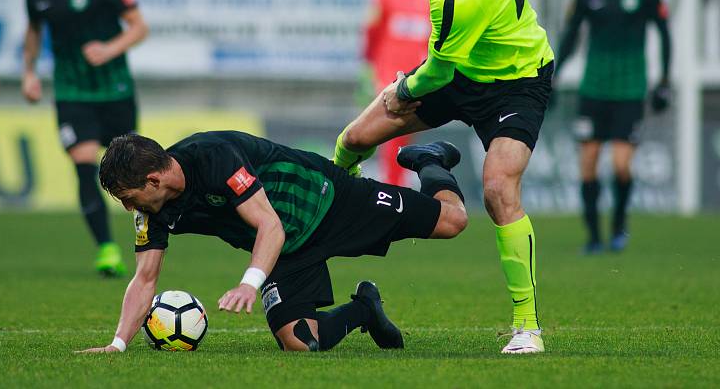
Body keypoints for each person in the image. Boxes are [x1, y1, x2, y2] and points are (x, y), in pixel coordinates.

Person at [331, 0, 621, 354]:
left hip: (517, 82)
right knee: (355, 137)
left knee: (498, 189)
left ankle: (527, 326)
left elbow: (436, 72)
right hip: (465, 70)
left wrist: (401, 90)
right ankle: (325, 215)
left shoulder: (458, 0)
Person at [76, 131, 468, 353]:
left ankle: (429, 161)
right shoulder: (152, 210)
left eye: (129, 197)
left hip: (329, 201)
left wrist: (249, 284)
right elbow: (145, 278)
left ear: (154, 181)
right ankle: (365, 309)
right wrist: (117, 344)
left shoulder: (214, 158)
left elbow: (269, 225)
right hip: (286, 249)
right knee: (302, 343)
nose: (129, 208)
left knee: (453, 221)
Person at [22, 0, 148, 277]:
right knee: (83, 162)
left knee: (130, 171)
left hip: (114, 89)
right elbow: (33, 32)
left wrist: (109, 49)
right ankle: (106, 249)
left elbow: (139, 27)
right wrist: (29, 72)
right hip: (71, 90)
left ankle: (146, 239)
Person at [554, 0, 671, 255]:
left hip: (630, 88)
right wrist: (555, 76)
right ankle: (593, 237)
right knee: (588, 162)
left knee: (621, 164)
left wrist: (663, 81)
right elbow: (571, 36)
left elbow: (664, 35)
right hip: (593, 86)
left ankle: (618, 227)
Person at [361, 0, 430, 186]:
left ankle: (396, 182)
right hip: (388, 75)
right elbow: (371, 33)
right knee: (390, 127)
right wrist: (370, 66)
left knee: (405, 132)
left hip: (419, 76)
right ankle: (391, 184)